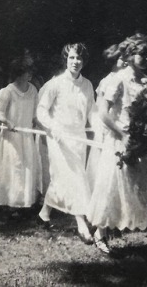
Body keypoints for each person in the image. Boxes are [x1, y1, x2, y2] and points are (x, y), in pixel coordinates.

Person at [87, 35, 147, 259]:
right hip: (119, 142)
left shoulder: (146, 81)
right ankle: (100, 234)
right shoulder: (117, 80)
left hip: (143, 142)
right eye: (141, 53)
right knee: (113, 189)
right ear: (128, 55)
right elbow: (103, 113)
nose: (145, 58)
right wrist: (121, 134)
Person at [36, 43, 95, 244]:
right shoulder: (56, 84)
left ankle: (44, 213)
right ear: (66, 59)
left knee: (63, 179)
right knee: (74, 178)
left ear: (83, 61)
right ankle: (82, 225)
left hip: (78, 138)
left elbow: (92, 112)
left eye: (79, 58)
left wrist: (100, 130)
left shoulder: (87, 85)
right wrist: (53, 128)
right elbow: (41, 111)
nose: (75, 62)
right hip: (58, 138)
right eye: (71, 58)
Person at [0, 57, 41, 213]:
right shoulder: (8, 91)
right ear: (19, 74)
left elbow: (35, 115)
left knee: (26, 169)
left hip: (26, 137)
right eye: (27, 72)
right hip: (11, 138)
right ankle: (10, 206)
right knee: (14, 169)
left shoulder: (33, 90)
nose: (30, 75)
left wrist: (44, 126)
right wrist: (7, 122)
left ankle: (24, 204)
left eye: (30, 72)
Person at [86, 43, 125, 188]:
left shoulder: (125, 79)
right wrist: (101, 129)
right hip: (107, 128)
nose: (125, 60)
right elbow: (100, 107)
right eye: (121, 58)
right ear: (114, 60)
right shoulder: (107, 81)